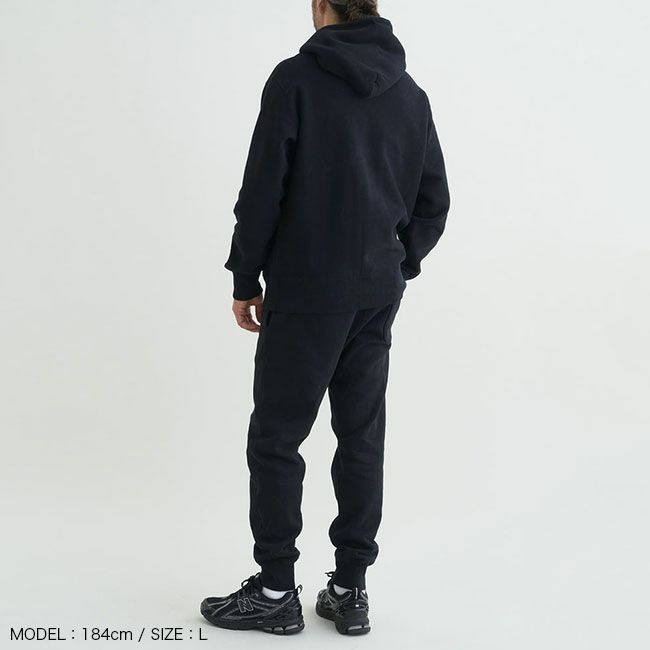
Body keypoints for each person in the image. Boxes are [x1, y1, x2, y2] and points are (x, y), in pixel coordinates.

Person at [201, 0, 450, 636]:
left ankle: (276, 590)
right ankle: (349, 589)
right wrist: (397, 263)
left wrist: (245, 275)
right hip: (375, 294)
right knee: (361, 437)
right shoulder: (410, 95)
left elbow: (263, 188)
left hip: (307, 291)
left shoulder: (295, 79)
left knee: (277, 439)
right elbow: (434, 202)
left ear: (322, 6)